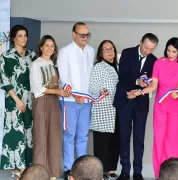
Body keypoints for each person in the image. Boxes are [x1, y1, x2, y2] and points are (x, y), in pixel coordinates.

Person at [134, 37, 178, 179]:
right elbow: (153, 85)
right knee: (159, 139)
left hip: (176, 106)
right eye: (169, 51)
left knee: (173, 140)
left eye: (174, 52)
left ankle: (173, 175)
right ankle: (159, 174)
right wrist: (139, 91)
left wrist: (177, 93)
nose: (171, 54)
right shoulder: (158, 63)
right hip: (160, 106)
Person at [113, 33, 158, 180]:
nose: (147, 51)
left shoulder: (154, 60)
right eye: (146, 47)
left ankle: (138, 172)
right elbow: (123, 75)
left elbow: (153, 81)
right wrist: (137, 82)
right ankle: (125, 171)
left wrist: (144, 86)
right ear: (140, 43)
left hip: (140, 103)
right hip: (125, 100)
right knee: (124, 137)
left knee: (139, 139)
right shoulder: (127, 53)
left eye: (151, 49)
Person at [57, 22, 95, 180]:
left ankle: (82, 169)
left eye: (87, 35)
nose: (85, 37)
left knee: (83, 136)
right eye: (82, 35)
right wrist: (74, 95)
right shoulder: (65, 52)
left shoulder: (91, 51)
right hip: (70, 101)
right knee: (69, 135)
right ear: (74, 34)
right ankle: (68, 168)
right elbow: (64, 77)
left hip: (86, 102)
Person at [30, 35, 70, 180]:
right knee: (41, 137)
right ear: (41, 47)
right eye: (46, 45)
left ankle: (53, 173)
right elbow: (37, 88)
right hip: (41, 101)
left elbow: (57, 85)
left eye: (52, 46)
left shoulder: (54, 66)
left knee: (54, 137)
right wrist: (57, 91)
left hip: (54, 102)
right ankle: (39, 174)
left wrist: (63, 91)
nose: (49, 48)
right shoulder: (36, 64)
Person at [0, 24, 36, 176]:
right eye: (20, 35)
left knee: (28, 132)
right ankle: (18, 166)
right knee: (16, 132)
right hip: (13, 100)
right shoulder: (6, 56)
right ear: (13, 37)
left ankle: (27, 165)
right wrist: (17, 100)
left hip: (30, 99)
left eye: (25, 35)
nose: (23, 38)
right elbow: (5, 80)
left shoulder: (32, 55)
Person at [89, 40, 119, 179]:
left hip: (117, 109)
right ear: (101, 53)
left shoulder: (118, 66)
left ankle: (111, 169)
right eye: (105, 49)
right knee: (102, 141)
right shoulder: (98, 67)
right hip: (104, 109)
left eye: (111, 48)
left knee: (114, 140)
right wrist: (100, 90)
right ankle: (101, 171)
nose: (109, 51)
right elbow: (93, 87)